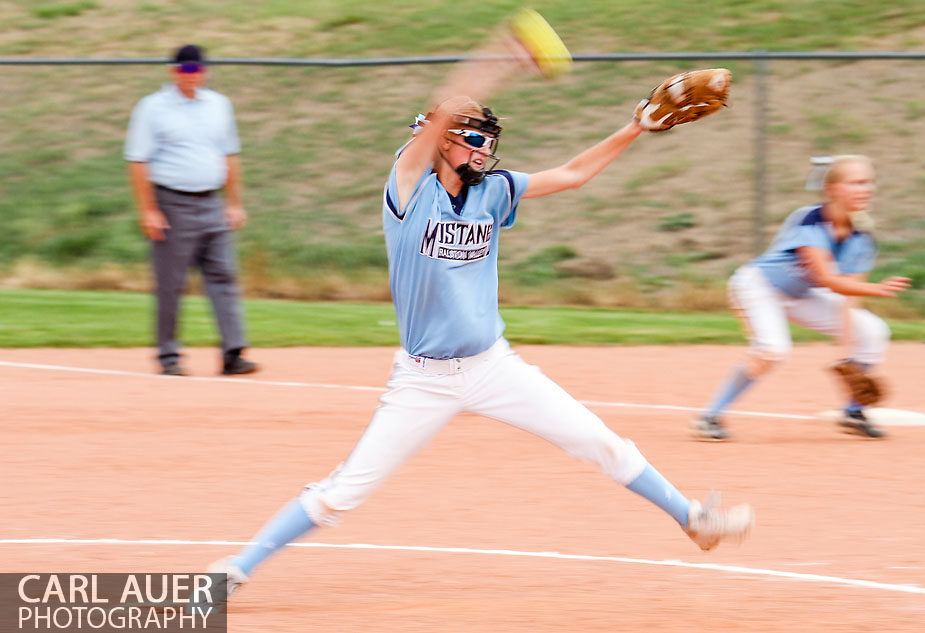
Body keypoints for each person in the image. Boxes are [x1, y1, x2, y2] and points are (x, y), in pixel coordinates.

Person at [203, 36, 753, 602]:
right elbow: (441, 113)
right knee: (341, 494)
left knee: (600, 441)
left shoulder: (493, 192)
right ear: (439, 141)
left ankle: (693, 518)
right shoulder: (408, 189)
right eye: (471, 141)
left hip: (493, 366)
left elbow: (571, 175)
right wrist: (503, 58)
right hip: (424, 378)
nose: (482, 153)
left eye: (487, 143)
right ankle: (235, 569)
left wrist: (635, 127)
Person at [692, 155, 911, 441]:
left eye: (868, 183)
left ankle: (853, 412)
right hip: (759, 286)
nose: (865, 189)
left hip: (801, 294)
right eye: (856, 183)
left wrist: (846, 356)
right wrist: (877, 289)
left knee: (872, 331)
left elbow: (848, 298)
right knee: (773, 350)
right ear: (832, 188)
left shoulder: (862, 237)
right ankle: (710, 416)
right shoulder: (810, 220)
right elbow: (826, 279)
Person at [124, 44, 258, 377]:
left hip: (211, 202)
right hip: (172, 203)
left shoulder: (218, 105)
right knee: (171, 282)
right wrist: (149, 210)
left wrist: (234, 202)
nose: (192, 75)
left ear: (205, 70)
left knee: (224, 276)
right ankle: (169, 356)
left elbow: (230, 154)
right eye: (185, 70)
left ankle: (232, 353)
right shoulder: (153, 108)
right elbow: (138, 161)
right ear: (173, 71)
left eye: (197, 69)